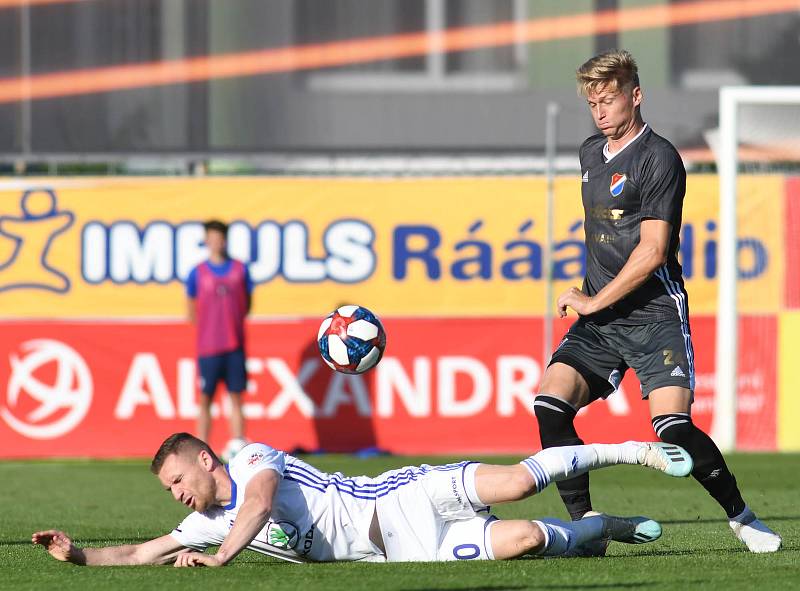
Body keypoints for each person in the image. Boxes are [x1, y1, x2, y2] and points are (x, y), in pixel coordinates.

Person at [534, 49, 781, 555]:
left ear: (636, 95)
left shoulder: (659, 157)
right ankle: (588, 527)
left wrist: (589, 301)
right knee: (549, 406)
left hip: (654, 316)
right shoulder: (588, 154)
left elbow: (651, 253)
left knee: (672, 428)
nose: (600, 111)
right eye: (593, 103)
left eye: (609, 99)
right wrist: (595, 305)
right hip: (602, 319)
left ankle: (743, 517)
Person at [33, 432, 693, 566]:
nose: (177, 493)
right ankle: (599, 525)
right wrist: (78, 555)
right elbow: (140, 550)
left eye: (177, 478)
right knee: (525, 538)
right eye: (170, 490)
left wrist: (223, 554)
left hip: (401, 496)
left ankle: (631, 449)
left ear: (205, 460)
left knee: (518, 480)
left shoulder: (251, 459)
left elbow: (260, 503)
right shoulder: (203, 522)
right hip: (410, 550)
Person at [186, 220, 253, 447]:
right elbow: (191, 309)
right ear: (206, 241)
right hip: (208, 348)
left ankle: (237, 446)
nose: (216, 242)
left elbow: (246, 304)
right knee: (205, 398)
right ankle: (201, 447)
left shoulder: (240, 270)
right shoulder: (197, 273)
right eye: (212, 238)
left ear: (225, 240)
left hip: (235, 346)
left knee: (236, 396)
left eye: (220, 238)